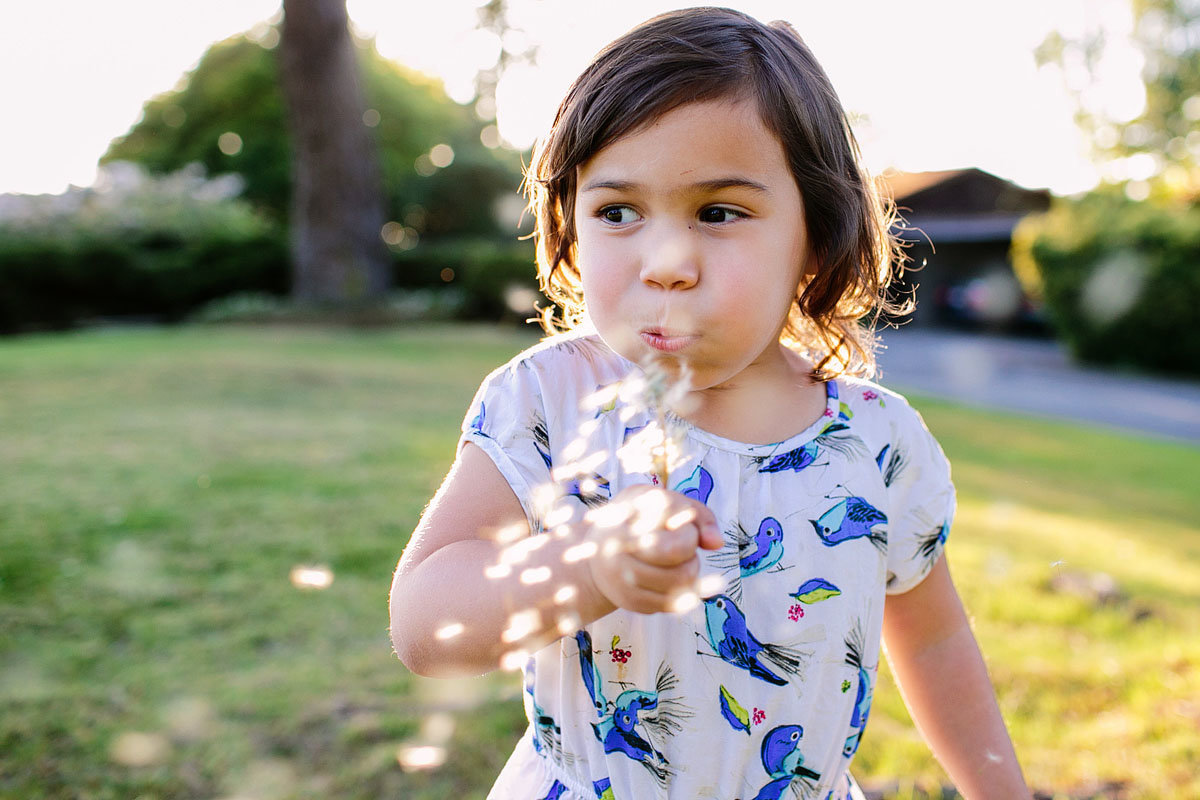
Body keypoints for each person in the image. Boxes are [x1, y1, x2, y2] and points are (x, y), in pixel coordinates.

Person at [390, 8, 1031, 799]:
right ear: (570, 225)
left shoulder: (877, 443)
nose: (665, 263)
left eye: (719, 212)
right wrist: (585, 565)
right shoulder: (550, 403)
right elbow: (425, 624)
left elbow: (933, 645)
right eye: (618, 211)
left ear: (816, 237)